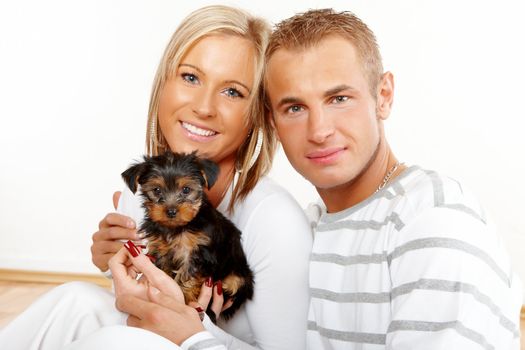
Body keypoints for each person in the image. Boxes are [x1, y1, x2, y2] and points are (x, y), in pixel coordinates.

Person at [0, 5, 311, 350]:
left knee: (117, 340)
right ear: (162, 83)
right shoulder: (145, 189)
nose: (204, 107)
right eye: (190, 77)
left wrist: (190, 329)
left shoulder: (276, 222)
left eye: (233, 91)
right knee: (76, 299)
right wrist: (113, 265)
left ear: (257, 114)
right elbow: (151, 299)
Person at [263, 8, 522, 350]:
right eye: (295, 108)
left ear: (383, 96)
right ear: (273, 122)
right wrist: (192, 331)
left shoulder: (432, 217)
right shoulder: (309, 229)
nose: (319, 130)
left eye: (339, 99)